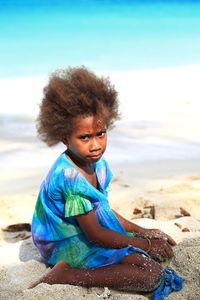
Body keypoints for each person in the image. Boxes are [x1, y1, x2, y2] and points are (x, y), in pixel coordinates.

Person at [30, 66, 183, 298]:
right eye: (84, 137)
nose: (95, 145)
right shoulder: (69, 177)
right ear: (63, 137)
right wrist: (147, 246)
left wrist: (143, 231)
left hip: (87, 232)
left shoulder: (99, 164)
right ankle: (67, 275)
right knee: (150, 274)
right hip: (63, 243)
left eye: (100, 134)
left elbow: (103, 211)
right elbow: (95, 235)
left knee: (147, 250)